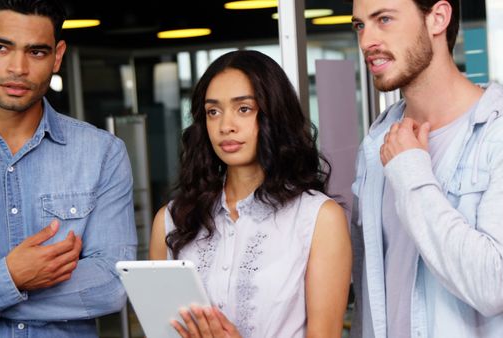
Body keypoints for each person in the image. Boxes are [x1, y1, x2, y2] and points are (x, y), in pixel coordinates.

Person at [349, 0, 503, 337]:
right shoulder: (375, 146)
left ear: (438, 18)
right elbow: (369, 291)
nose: (366, 41)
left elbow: (494, 286)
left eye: (383, 20)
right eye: (360, 25)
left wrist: (411, 174)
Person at [0, 0, 137, 336]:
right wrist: (12, 276)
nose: (18, 68)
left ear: (58, 55)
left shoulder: (102, 154)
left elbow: (111, 287)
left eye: (36, 52)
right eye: (1, 47)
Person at [149, 50, 352, 338]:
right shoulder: (171, 220)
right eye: (213, 111)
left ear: (274, 114)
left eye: (244, 109)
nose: (225, 126)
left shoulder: (318, 218)